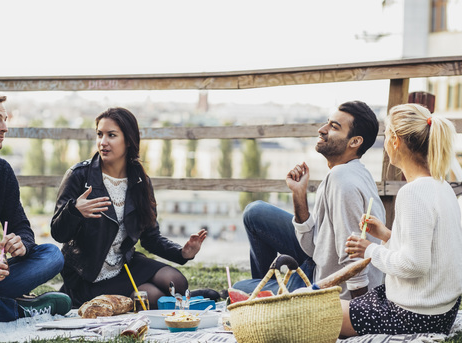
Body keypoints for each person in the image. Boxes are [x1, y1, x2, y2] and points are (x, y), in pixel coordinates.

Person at [51, 107, 208, 309]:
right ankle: (180, 300)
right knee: (151, 296)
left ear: (128, 140)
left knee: (176, 281)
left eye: (111, 135)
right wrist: (74, 211)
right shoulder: (79, 175)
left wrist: (182, 253)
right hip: (86, 276)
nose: (103, 142)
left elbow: (151, 238)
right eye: (99, 134)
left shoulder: (140, 181)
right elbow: (58, 233)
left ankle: (178, 298)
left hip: (123, 266)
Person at [233, 101, 385, 300]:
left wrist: (361, 311)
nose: (322, 130)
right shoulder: (350, 172)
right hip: (319, 262)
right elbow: (314, 247)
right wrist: (299, 194)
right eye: (327, 123)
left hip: (329, 287)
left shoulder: (343, 181)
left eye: (334, 127)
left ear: (354, 142)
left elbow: (353, 254)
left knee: (239, 287)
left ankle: (267, 302)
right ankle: (267, 296)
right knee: (255, 212)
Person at [341, 103, 462, 336]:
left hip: (413, 316)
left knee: (323, 313)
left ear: (395, 141)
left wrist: (369, 250)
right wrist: (386, 235)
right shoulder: (442, 186)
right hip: (440, 311)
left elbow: (415, 265)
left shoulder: (412, 193)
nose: (385, 143)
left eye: (386, 135)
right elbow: (432, 250)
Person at [0, 87, 71, 322]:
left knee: (52, 255)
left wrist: (21, 243)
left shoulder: (1, 172)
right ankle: (19, 309)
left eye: (4, 120)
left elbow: (21, 226)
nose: (4, 128)